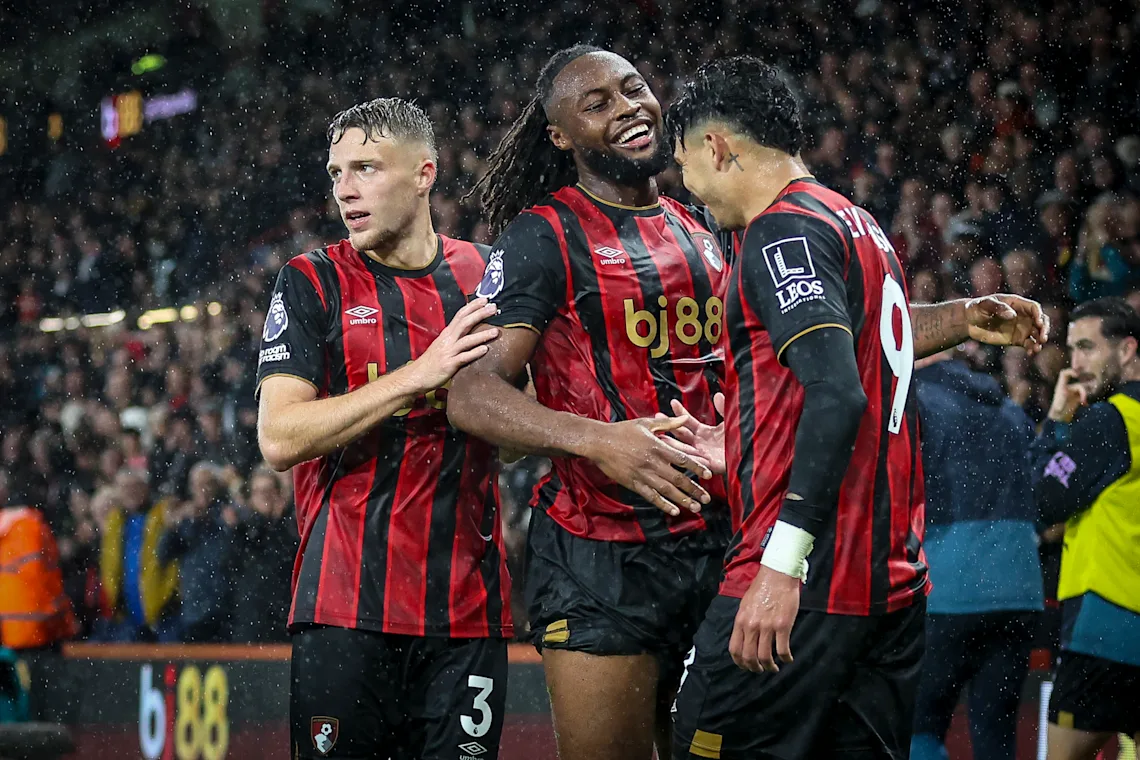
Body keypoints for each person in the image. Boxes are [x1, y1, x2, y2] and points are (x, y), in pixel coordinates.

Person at [664, 56, 1048, 759]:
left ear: (717, 147)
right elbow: (862, 352)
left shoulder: (781, 232)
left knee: (696, 741)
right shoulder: (856, 224)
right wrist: (962, 316)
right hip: (890, 590)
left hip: (807, 584)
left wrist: (781, 565)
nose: (684, 183)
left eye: (684, 159)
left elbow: (838, 394)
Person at [447, 45, 732, 760]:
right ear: (561, 137)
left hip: (723, 543)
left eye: (634, 88)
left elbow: (843, 330)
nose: (629, 106)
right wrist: (601, 441)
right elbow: (471, 393)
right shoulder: (544, 236)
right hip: (600, 558)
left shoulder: (706, 224)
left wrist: (962, 315)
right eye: (597, 103)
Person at [255, 98, 512, 760]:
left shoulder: (488, 277)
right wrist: (416, 375)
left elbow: (517, 432)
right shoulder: (312, 280)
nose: (344, 189)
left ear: (425, 173)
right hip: (346, 608)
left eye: (366, 168)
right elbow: (280, 437)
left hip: (467, 612)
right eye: (336, 171)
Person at [909, 349, 1044, 760]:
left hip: (947, 588)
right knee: (996, 736)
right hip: (1019, 587)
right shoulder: (1007, 408)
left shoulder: (914, 401)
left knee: (920, 728)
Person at [1032, 297, 1140, 759]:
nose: (1075, 364)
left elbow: (1040, 497)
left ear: (1128, 350)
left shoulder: (1108, 418)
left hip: (1105, 627)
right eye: (1072, 349)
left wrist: (1057, 421)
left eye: (1087, 348)